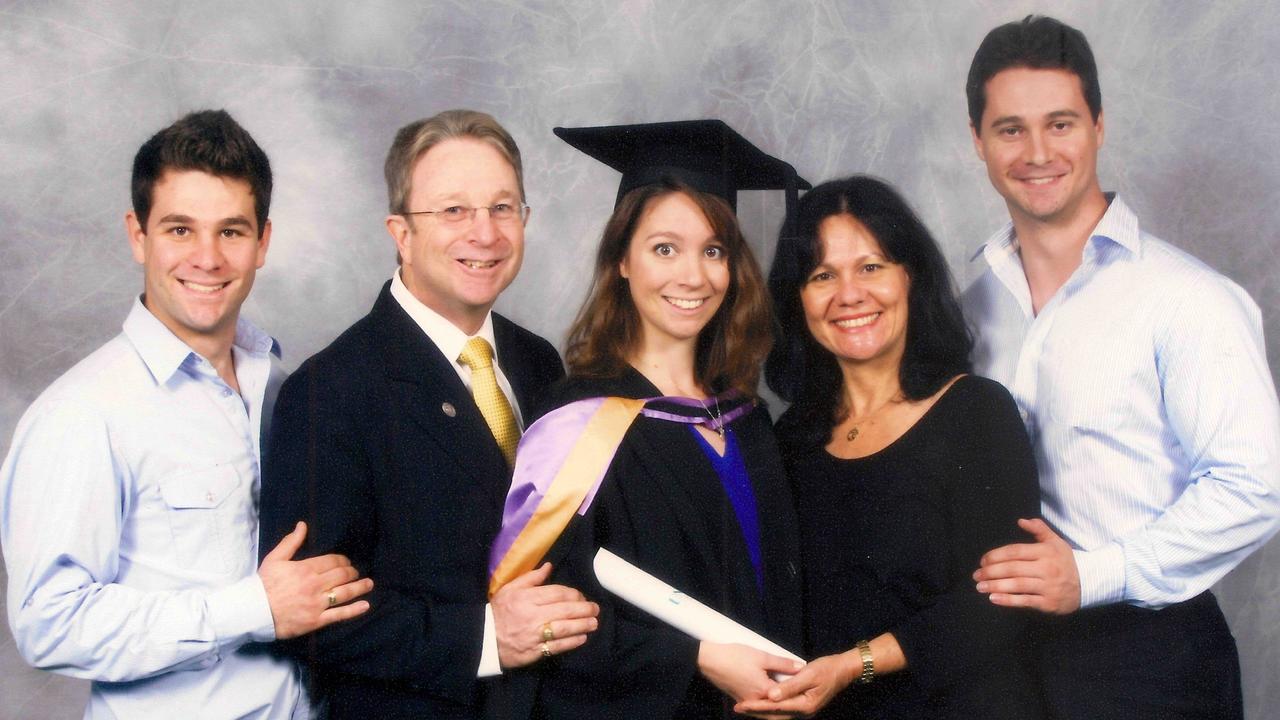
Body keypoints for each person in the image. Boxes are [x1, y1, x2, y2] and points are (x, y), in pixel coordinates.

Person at [0, 110, 373, 719]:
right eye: (179, 230)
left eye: (231, 231)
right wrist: (252, 608)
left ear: (263, 243)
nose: (207, 258)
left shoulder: (287, 389)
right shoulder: (82, 414)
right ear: (137, 235)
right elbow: (50, 623)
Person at [961, 16, 1280, 720]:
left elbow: (1255, 486)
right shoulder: (967, 304)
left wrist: (1094, 574)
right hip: (1001, 653)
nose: (1038, 151)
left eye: (1061, 123)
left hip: (1150, 654)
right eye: (1011, 128)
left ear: (1099, 126)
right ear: (977, 140)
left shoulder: (1187, 298)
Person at [258, 109, 599, 719]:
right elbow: (314, 617)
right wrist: (489, 637)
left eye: (502, 208)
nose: (485, 233)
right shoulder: (329, 389)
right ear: (401, 232)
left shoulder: (536, 361)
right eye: (453, 211)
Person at [490, 120, 808, 719]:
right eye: (665, 248)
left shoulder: (749, 419)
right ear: (622, 262)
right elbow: (551, 618)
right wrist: (697, 658)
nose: (693, 276)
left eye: (713, 250)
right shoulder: (579, 423)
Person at [735, 176, 1045, 719]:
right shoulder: (789, 441)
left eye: (871, 267)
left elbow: (1002, 600)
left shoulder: (976, 413)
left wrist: (854, 665)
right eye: (822, 275)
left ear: (911, 277)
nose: (849, 294)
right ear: (797, 299)